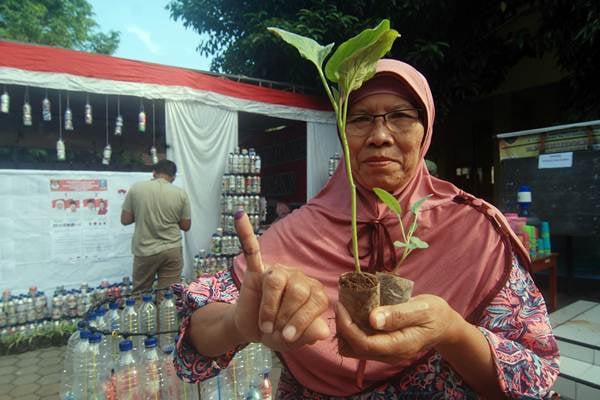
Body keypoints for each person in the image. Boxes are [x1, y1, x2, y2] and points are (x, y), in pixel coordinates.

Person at [173, 60, 559, 399]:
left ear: (425, 131)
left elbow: (534, 377)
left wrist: (452, 333)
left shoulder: (475, 230)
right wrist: (238, 322)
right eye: (360, 119)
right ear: (343, 132)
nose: (379, 136)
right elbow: (199, 333)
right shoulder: (298, 231)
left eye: (401, 116)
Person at [121, 159, 191, 292]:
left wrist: (143, 213)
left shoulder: (136, 188)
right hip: (172, 249)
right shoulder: (181, 193)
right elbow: (186, 226)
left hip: (145, 250)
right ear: (173, 177)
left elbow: (125, 220)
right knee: (168, 294)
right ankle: (165, 312)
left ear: (154, 173)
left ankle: (140, 312)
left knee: (140, 293)